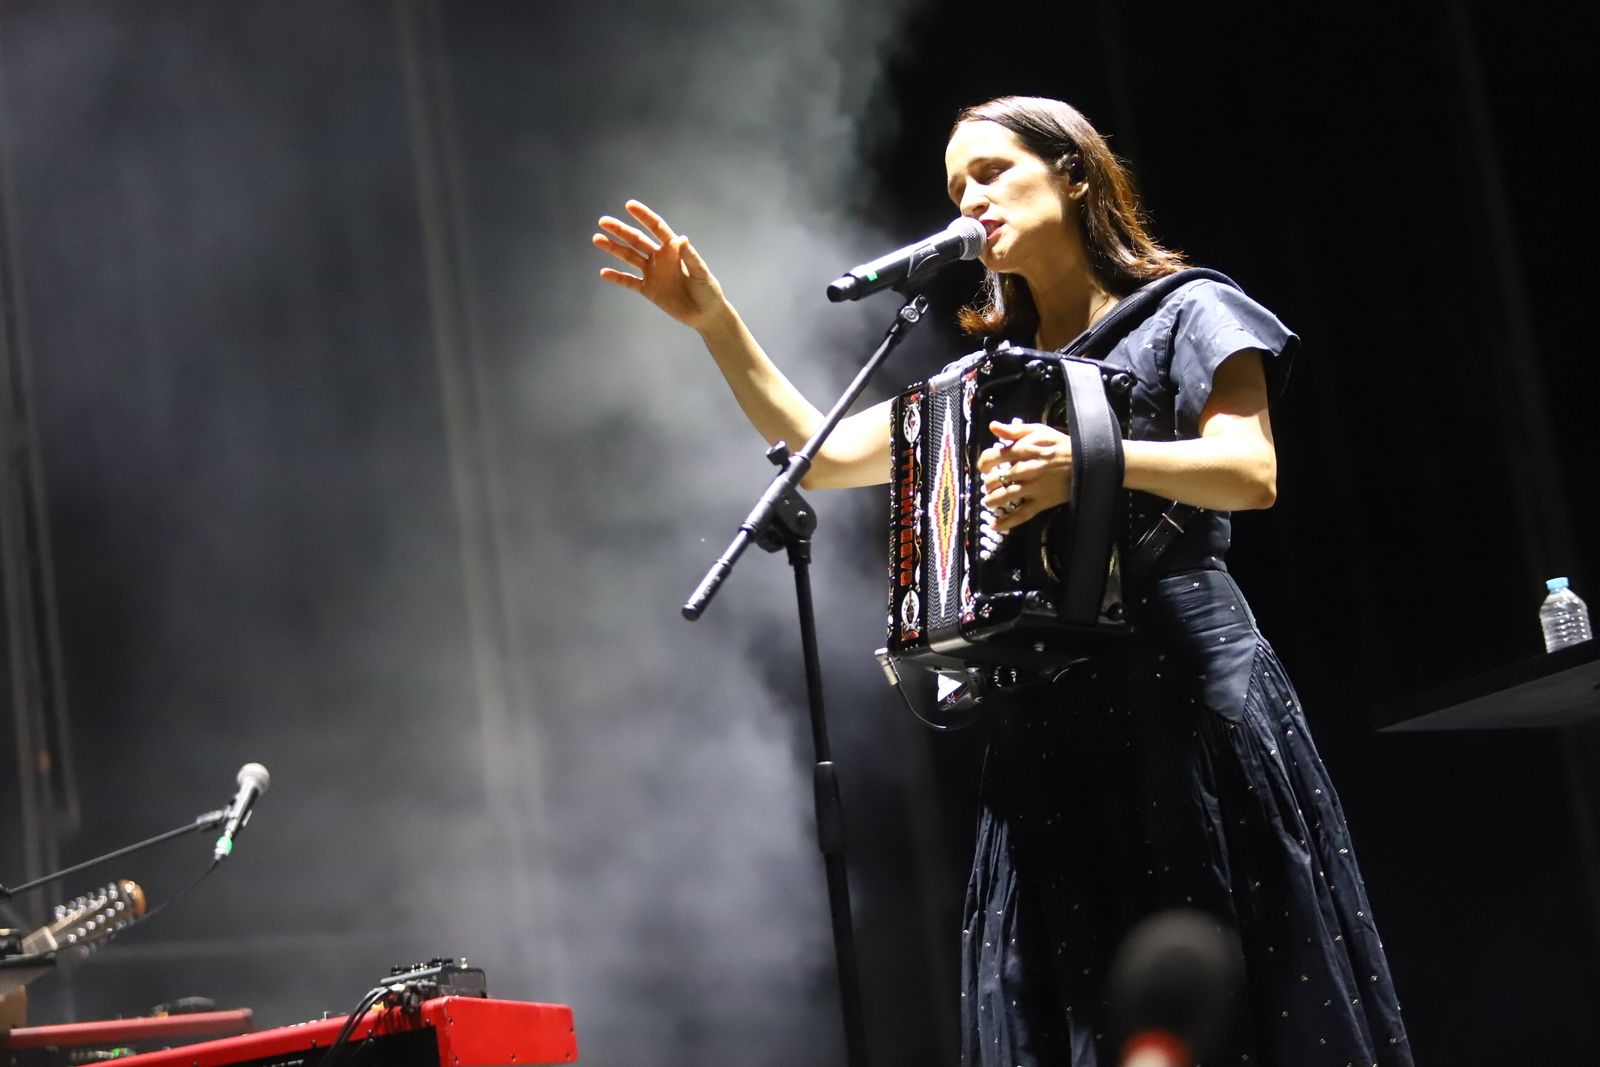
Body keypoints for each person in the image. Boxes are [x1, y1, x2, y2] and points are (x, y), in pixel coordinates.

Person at [593, 95, 1411, 1067]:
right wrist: (713, 320)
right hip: (1056, 723)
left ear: (1073, 173)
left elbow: (1248, 471)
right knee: (1078, 1002)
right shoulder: (995, 380)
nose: (969, 199)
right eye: (952, 188)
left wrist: (1087, 462)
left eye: (989, 171)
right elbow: (818, 456)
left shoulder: (1187, 308)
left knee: (1236, 985)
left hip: (1188, 694)